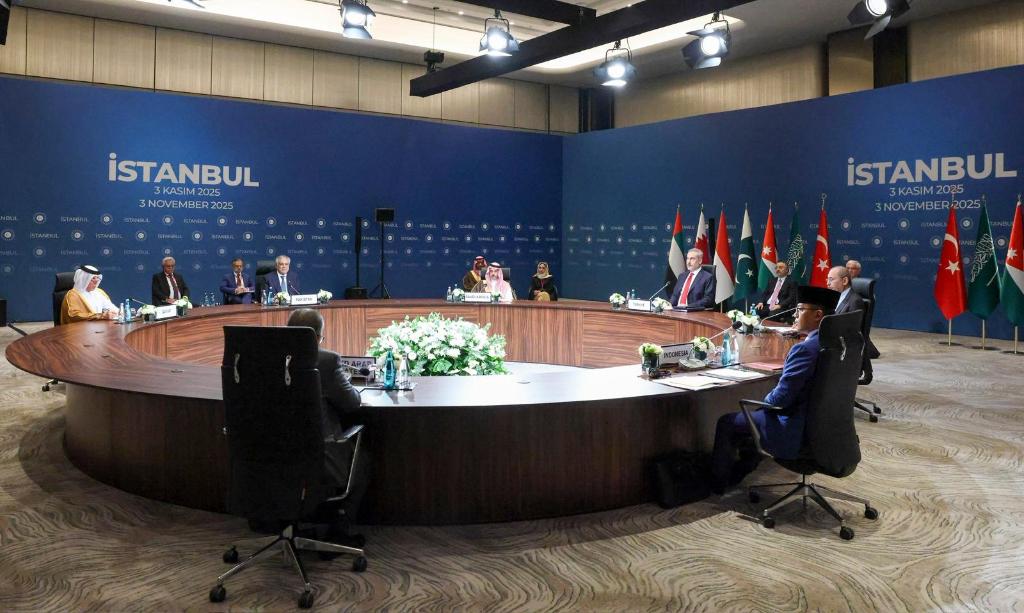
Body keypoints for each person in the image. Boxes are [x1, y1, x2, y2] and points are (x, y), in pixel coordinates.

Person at [710, 285, 841, 494]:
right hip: (828, 428)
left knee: (728, 421)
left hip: (794, 428)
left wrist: (761, 404)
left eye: (800, 309)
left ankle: (718, 485)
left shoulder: (805, 350)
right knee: (755, 417)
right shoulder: (837, 342)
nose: (794, 314)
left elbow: (780, 398)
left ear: (818, 315)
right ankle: (741, 470)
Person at [286, 308, 365, 543]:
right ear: (317, 337)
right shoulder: (326, 361)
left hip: (271, 456)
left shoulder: (265, 357)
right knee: (363, 458)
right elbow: (352, 403)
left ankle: (283, 523)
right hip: (318, 458)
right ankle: (338, 531)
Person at [828, 264, 879, 383]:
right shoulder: (836, 297)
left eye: (831, 279)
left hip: (842, 350)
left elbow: (851, 333)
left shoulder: (855, 301)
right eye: (827, 279)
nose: (827, 283)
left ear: (844, 281)